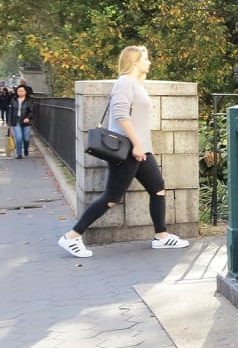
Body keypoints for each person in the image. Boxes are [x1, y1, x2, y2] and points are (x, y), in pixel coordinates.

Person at [58, 45, 191, 258]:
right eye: (146, 58)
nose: (149, 62)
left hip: (141, 150)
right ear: (135, 61)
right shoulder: (124, 83)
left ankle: (161, 236)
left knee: (158, 188)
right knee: (112, 197)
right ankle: (72, 236)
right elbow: (120, 115)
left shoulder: (136, 84)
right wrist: (137, 144)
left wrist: (141, 147)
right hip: (129, 150)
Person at [8, 84, 36, 159]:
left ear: (25, 92)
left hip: (26, 121)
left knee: (26, 138)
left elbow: (32, 111)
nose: (20, 92)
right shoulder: (13, 100)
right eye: (18, 91)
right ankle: (19, 153)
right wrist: (9, 122)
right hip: (16, 120)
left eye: (22, 91)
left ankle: (26, 149)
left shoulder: (30, 100)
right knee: (19, 137)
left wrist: (28, 118)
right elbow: (10, 111)